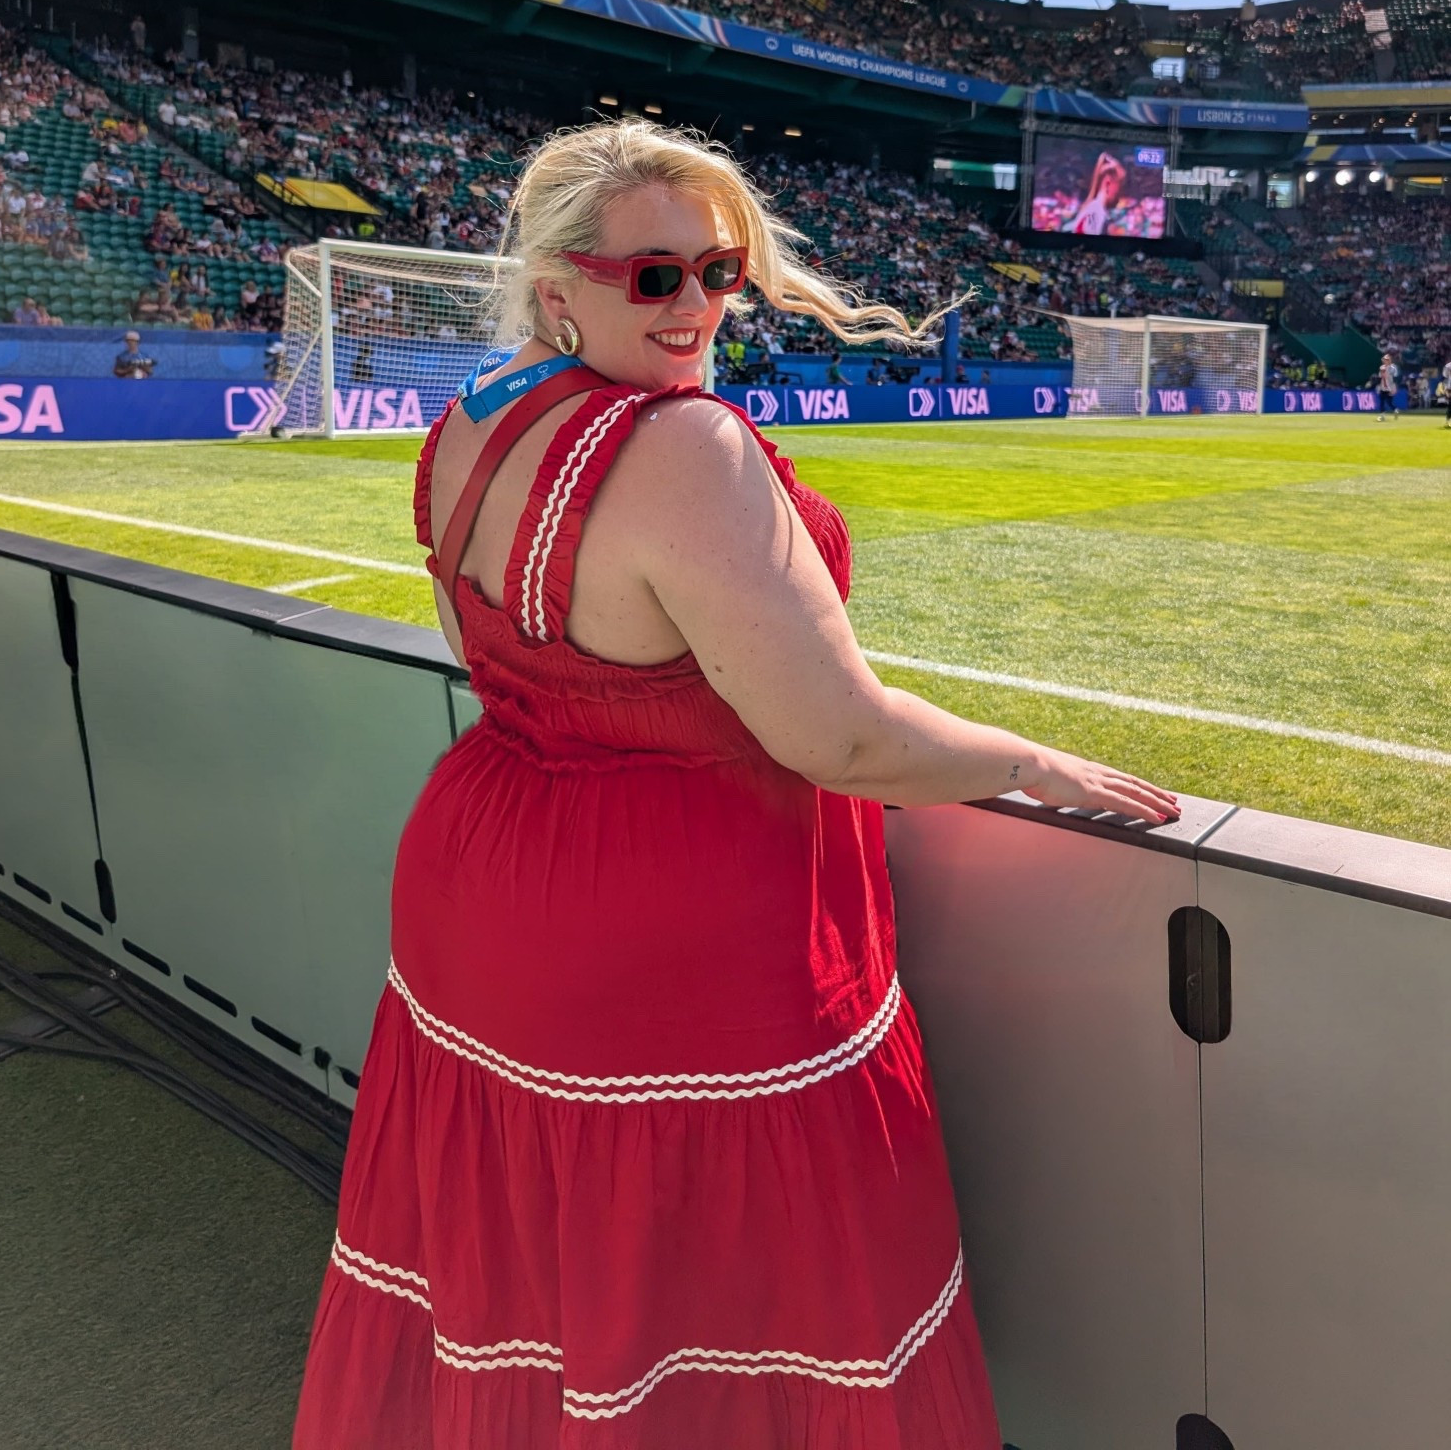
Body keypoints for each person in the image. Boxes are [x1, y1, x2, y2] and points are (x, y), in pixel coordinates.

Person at [294, 118, 1179, 1449]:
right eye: (654, 276)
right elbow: (844, 741)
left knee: (533, 1278)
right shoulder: (685, 448)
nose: (699, 303)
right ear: (558, 287)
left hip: (484, 893)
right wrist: (1022, 760)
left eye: (719, 270)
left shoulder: (473, 414)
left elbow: (488, 646)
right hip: (681, 942)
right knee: (753, 1304)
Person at [1376, 350, 1400, 419]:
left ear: (1389, 360)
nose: (1385, 361)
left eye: (1387, 360)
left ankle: (1394, 410)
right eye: (1385, 360)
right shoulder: (1382, 367)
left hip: (1389, 387)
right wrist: (1378, 386)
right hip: (1383, 387)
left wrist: (1394, 388)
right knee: (1382, 401)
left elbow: (1396, 378)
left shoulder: (1392, 368)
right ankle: (1382, 415)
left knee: (1389, 402)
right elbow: (1380, 377)